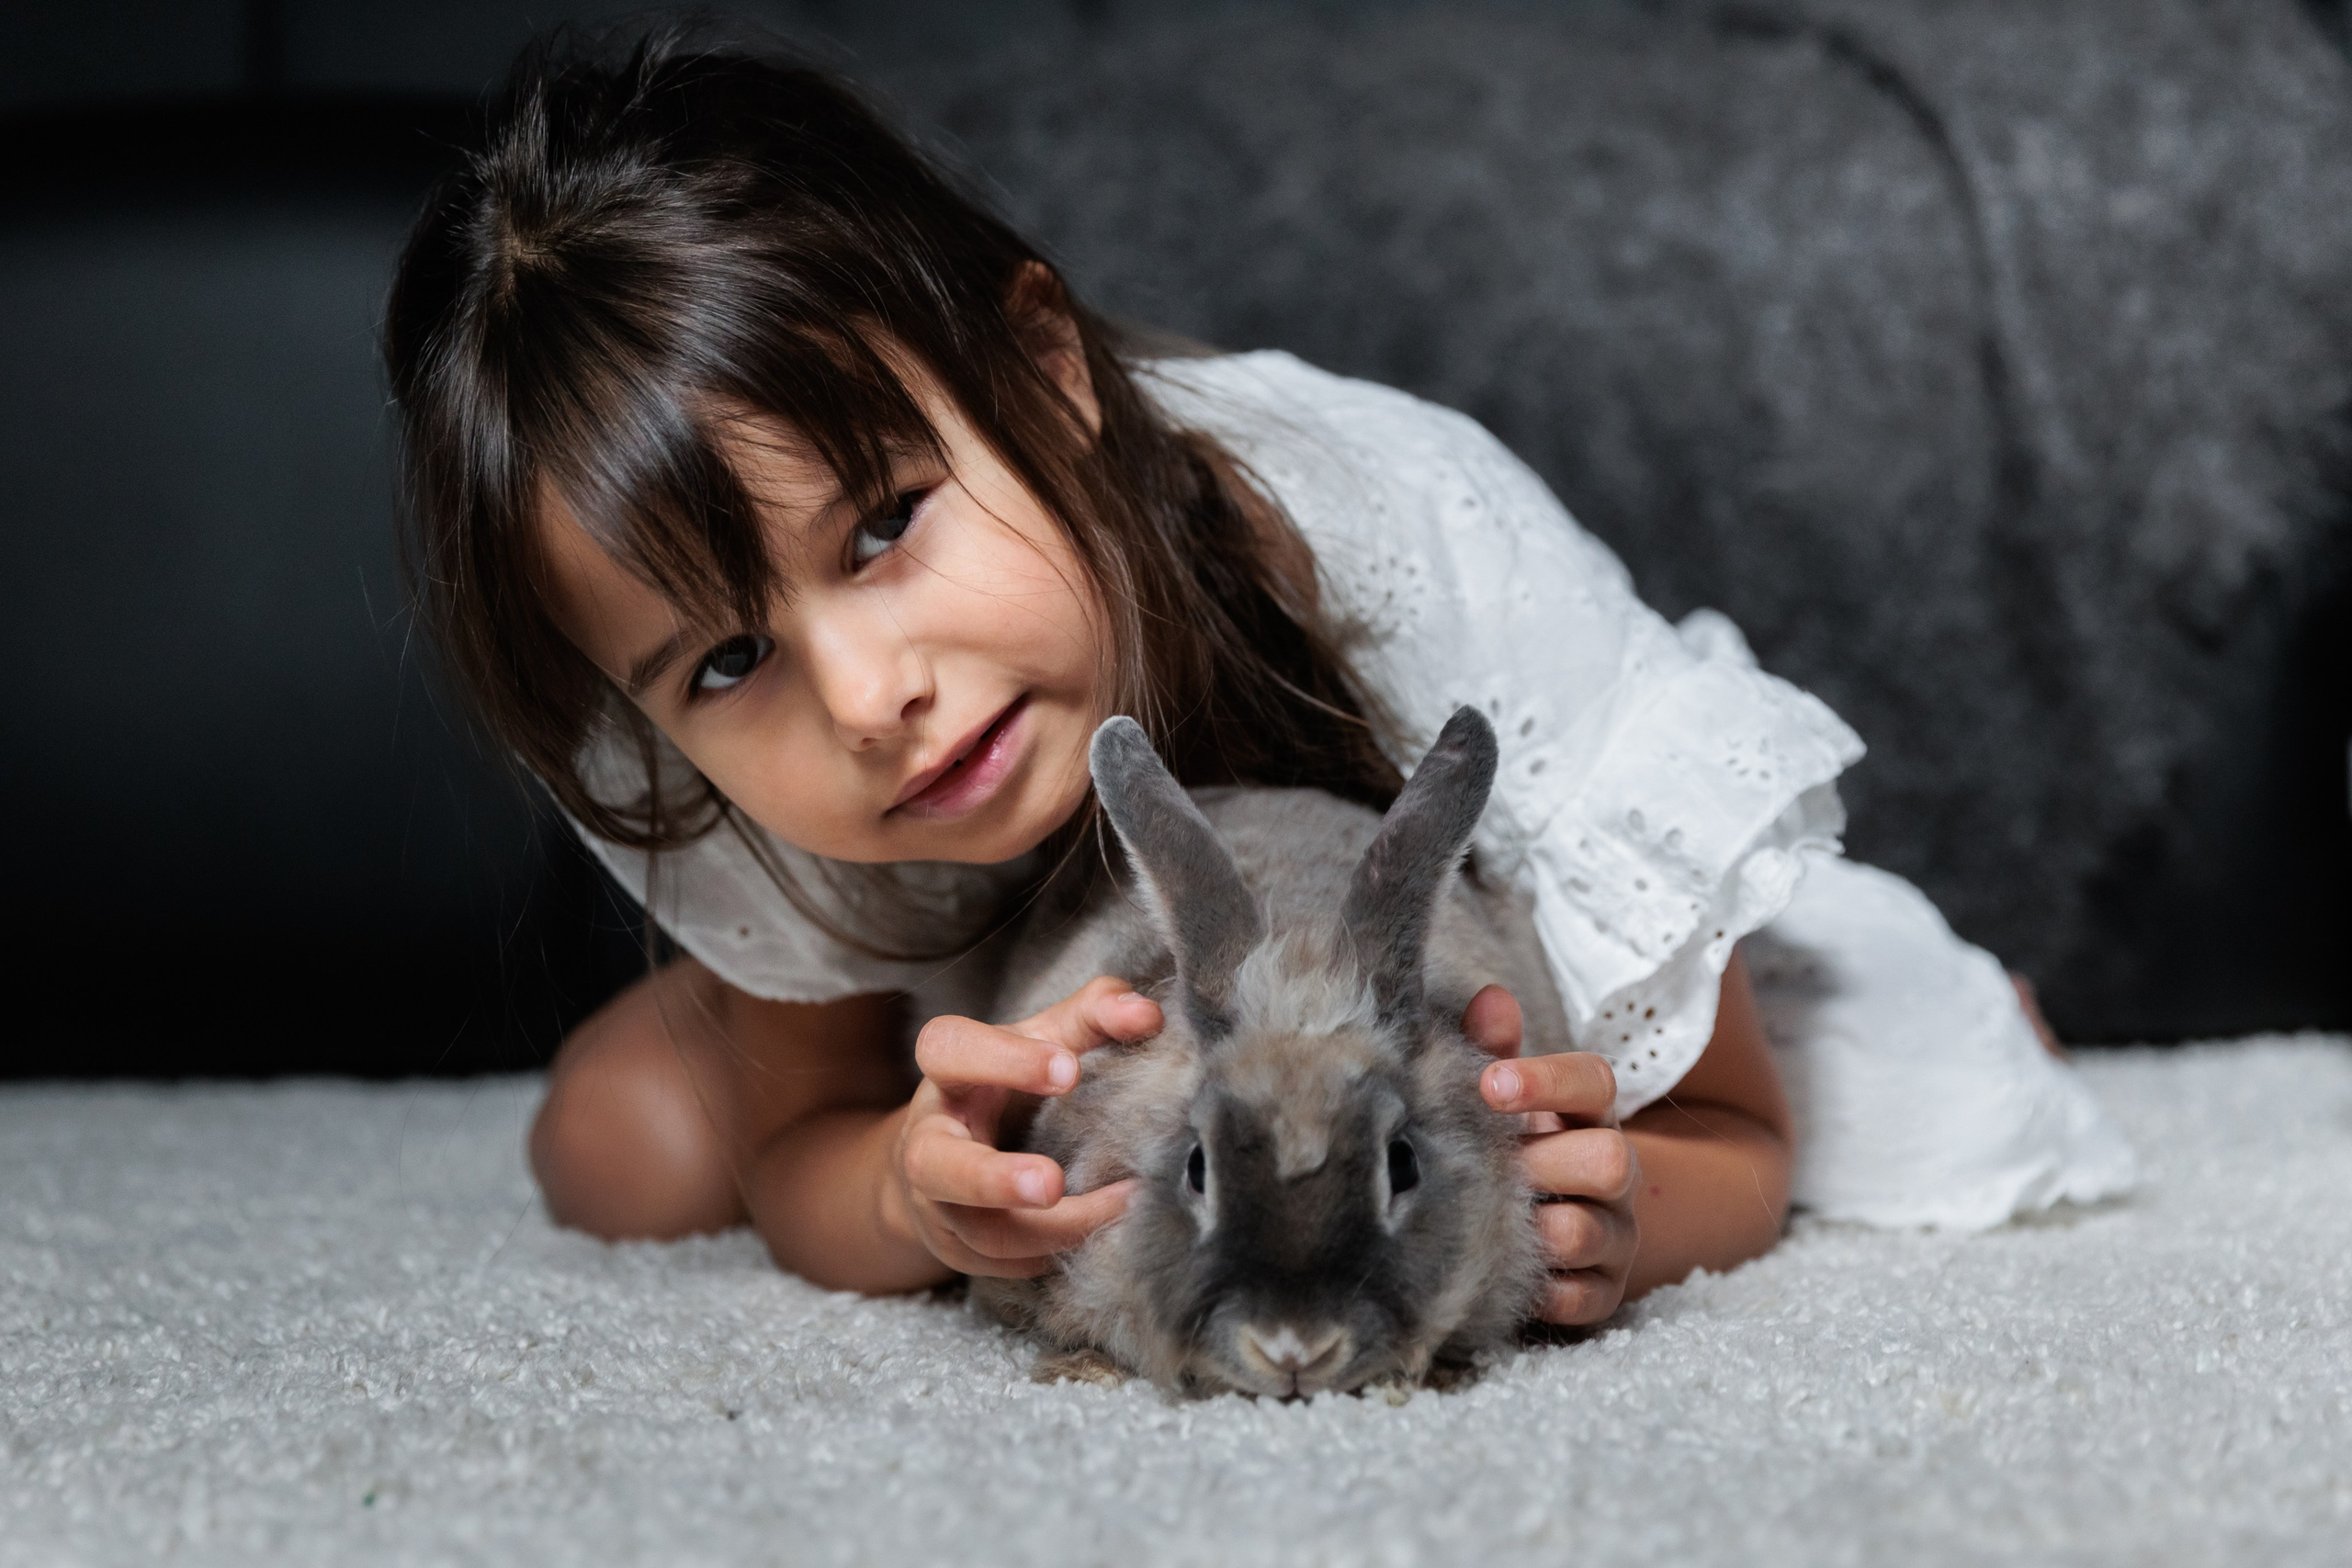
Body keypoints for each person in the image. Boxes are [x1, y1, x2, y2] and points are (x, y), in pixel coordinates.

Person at [383, 27, 2134, 1331]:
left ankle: (1905, 964)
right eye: (728, 661)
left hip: (1499, 954)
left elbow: (1727, 1145)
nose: (862, 699)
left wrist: (1630, 1212)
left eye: (884, 527)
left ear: (1045, 373)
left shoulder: (1380, 541)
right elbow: (804, 1169)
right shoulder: (812, 778)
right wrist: (924, 1192)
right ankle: (792, 1000)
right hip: (1010, 973)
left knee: (1911, 1094)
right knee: (614, 1145)